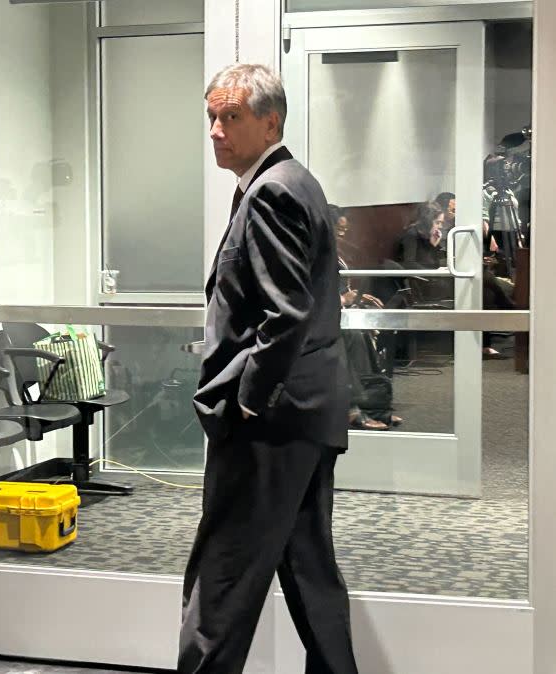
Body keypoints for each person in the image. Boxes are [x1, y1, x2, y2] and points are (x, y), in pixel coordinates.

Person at [180, 64, 358, 674]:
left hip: (271, 423)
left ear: (270, 122)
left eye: (231, 118)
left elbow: (286, 315)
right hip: (305, 414)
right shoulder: (293, 180)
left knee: (222, 581)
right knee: (309, 572)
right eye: (211, 117)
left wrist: (248, 403)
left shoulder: (274, 190)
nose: (216, 131)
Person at [330, 205, 401, 431]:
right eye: (338, 228)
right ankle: (355, 408)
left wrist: (355, 298)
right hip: (321, 319)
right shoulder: (314, 252)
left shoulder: (333, 251)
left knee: (363, 331)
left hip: (337, 314)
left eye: (344, 229)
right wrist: (343, 300)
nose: (342, 233)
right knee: (353, 336)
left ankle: (375, 406)